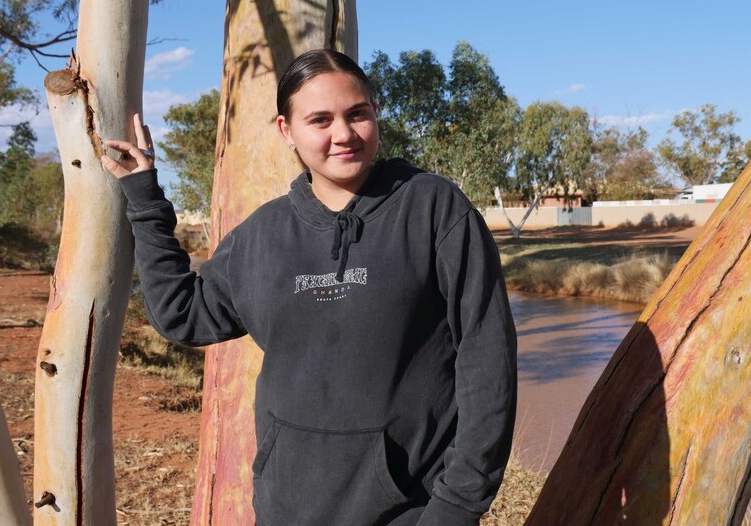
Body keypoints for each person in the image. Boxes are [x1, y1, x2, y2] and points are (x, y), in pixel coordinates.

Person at [102, 49, 517, 526]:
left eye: (357, 114)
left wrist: (457, 507)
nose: (343, 134)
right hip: (286, 508)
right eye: (320, 120)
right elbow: (182, 315)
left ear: (374, 113)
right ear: (287, 130)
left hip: (411, 510)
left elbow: (489, 363)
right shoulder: (262, 234)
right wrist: (144, 198)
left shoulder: (433, 209)